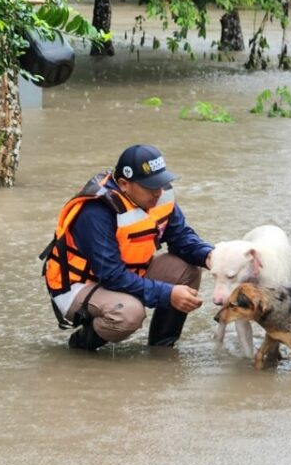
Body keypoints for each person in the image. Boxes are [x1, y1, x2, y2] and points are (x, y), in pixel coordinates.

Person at [40, 144, 213, 350]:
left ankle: (161, 349)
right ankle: (81, 345)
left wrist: (211, 256)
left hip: (125, 273)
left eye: (161, 183)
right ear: (124, 184)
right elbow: (112, 275)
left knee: (189, 269)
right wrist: (168, 294)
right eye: (150, 187)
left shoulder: (159, 196)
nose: (158, 192)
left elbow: (181, 237)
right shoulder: (96, 211)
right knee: (130, 314)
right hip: (79, 285)